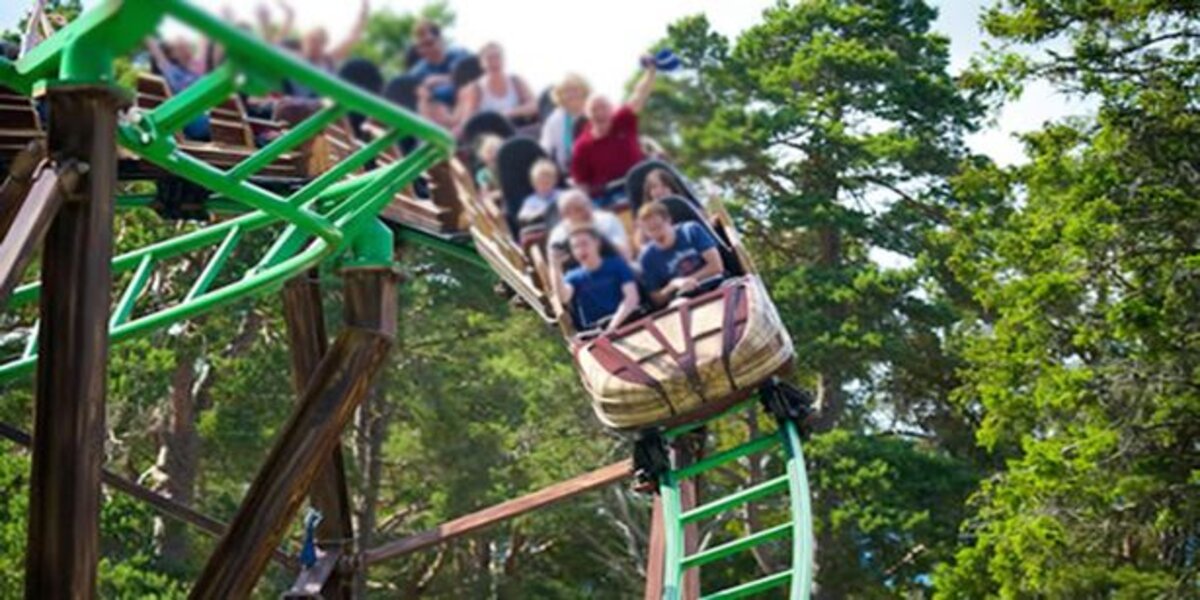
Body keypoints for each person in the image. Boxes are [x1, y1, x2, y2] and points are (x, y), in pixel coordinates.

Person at [570, 56, 658, 205]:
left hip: (641, 182)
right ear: (587, 114)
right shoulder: (582, 145)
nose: (599, 113)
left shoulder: (623, 119)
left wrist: (650, 72)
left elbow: (639, 95)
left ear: (611, 109)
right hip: (608, 195)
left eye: (603, 108)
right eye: (594, 110)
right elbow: (581, 183)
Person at [551, 227, 640, 332]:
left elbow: (632, 298)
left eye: (584, 244)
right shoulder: (572, 277)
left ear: (596, 243)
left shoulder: (617, 265)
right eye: (575, 247)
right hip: (595, 331)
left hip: (626, 322)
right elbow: (563, 298)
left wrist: (611, 327)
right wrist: (556, 267)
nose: (580, 250)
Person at [636, 201, 724, 307]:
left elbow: (717, 266)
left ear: (668, 220)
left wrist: (690, 280)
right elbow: (656, 298)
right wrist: (674, 284)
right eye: (650, 230)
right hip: (684, 298)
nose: (656, 233)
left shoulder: (691, 231)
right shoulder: (647, 258)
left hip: (715, 285)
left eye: (658, 227)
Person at [453, 42, 537, 135]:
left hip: (518, 128)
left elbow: (534, 106)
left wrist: (508, 113)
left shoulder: (516, 81)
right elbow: (468, 121)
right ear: (482, 63)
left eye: (497, 57)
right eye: (489, 58)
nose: (494, 62)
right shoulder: (476, 89)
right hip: (491, 135)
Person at [145, 37, 211, 141]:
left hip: (208, 120)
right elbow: (157, 53)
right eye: (180, 47)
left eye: (185, 45)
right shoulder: (173, 73)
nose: (185, 48)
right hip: (194, 124)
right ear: (173, 55)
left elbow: (203, 44)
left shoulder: (196, 69)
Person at [408, 20, 471, 122]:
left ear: (440, 40)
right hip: (437, 118)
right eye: (421, 46)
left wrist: (440, 79)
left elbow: (473, 79)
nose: (426, 49)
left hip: (466, 112)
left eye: (430, 43)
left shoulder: (460, 56)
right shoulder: (416, 73)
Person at [548, 189, 630, 260]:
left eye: (587, 204)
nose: (586, 211)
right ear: (565, 215)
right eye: (579, 209)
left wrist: (597, 235)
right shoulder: (558, 236)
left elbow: (626, 255)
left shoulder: (607, 220)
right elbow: (556, 270)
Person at [540, 73, 590, 171]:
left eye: (575, 89)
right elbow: (546, 148)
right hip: (566, 170)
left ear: (584, 91)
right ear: (560, 95)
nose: (571, 94)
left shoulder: (593, 111)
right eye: (566, 91)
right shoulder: (554, 120)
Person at [518, 159, 560, 226]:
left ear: (554, 181)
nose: (544, 187)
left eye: (547, 183)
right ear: (534, 184)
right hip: (540, 229)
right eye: (540, 183)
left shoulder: (560, 196)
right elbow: (522, 217)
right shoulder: (531, 201)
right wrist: (537, 214)